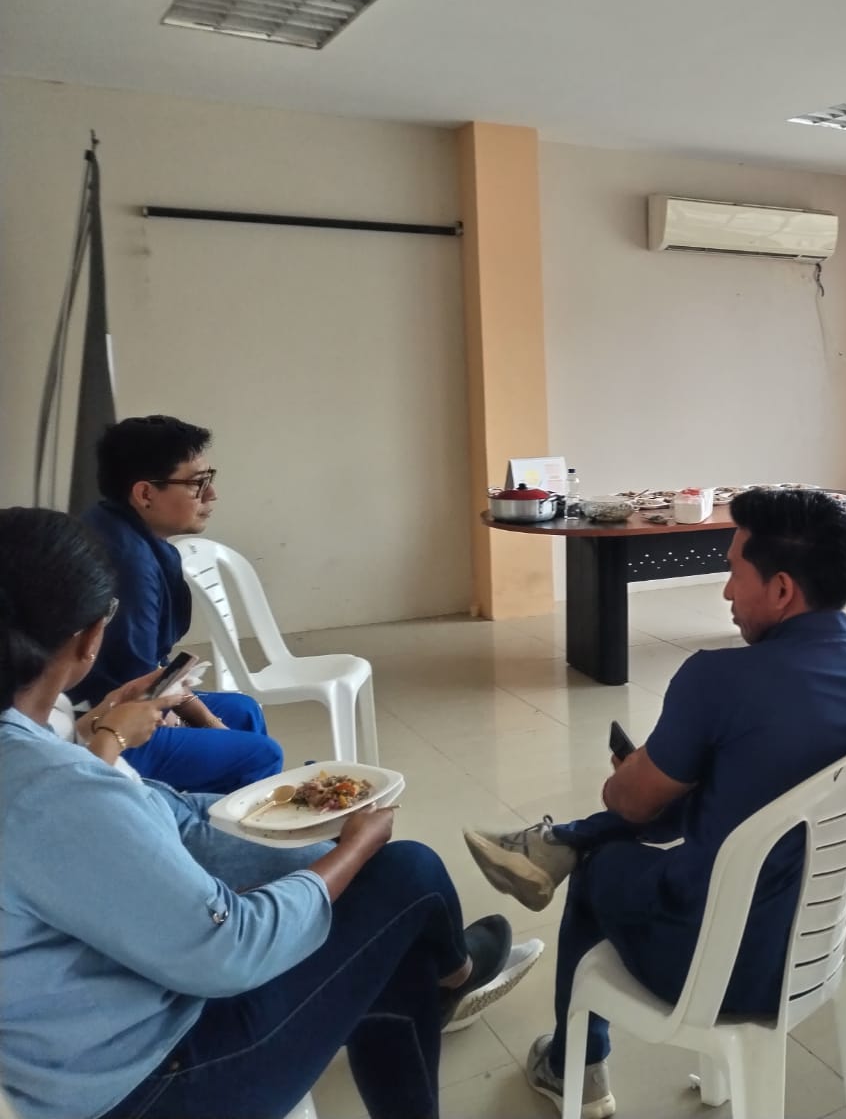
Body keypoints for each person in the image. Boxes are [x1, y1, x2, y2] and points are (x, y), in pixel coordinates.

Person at [0, 507, 540, 1119]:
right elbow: (227, 948)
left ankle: (442, 971)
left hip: (86, 1037)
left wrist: (102, 734)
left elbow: (122, 831)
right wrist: (351, 850)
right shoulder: (49, 788)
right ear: (89, 638)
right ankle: (452, 973)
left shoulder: (33, 751)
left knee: (381, 922)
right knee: (406, 873)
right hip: (153, 1081)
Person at [462, 489, 846, 1119]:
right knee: (711, 790)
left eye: (734, 573)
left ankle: (574, 1066)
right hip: (814, 952)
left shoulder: (718, 681)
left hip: (712, 969)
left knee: (602, 868)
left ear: (781, 589)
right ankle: (558, 844)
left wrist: (634, 776)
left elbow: (629, 803)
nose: (726, 592)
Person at [68, 415, 282, 794]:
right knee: (259, 754)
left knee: (244, 710)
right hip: (98, 720)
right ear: (145, 494)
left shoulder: (122, 530)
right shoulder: (127, 561)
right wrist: (209, 723)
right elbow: (137, 681)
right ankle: (207, 824)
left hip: (126, 696)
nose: (211, 494)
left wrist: (203, 719)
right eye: (197, 483)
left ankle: (223, 813)